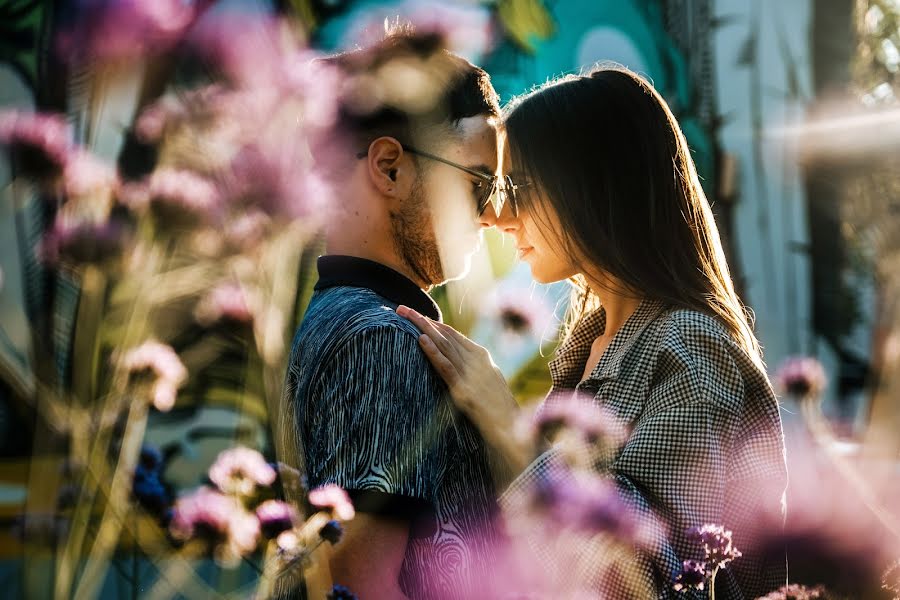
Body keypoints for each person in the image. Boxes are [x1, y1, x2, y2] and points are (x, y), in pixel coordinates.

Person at [398, 66, 788, 599]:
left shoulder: (690, 347)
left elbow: (659, 579)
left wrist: (508, 426)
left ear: (591, 190)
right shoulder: (587, 345)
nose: (497, 214)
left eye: (517, 187)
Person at [282, 31, 504, 599]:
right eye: (478, 184)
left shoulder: (340, 319)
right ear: (389, 168)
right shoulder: (380, 339)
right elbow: (364, 590)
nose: (491, 214)